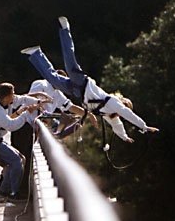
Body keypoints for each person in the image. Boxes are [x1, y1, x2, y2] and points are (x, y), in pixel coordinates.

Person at [21, 17, 159, 142]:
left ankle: (36, 53)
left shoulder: (108, 113)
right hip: (82, 83)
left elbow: (117, 125)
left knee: (51, 78)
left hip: (75, 91)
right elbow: (129, 115)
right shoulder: (114, 103)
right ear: (122, 103)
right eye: (124, 107)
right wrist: (144, 127)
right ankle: (65, 29)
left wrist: (125, 137)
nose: (121, 112)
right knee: (69, 60)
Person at [0, 83, 38, 200]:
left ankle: (4, 191)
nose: (14, 97)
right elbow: (11, 125)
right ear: (7, 96)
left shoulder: (0, 104)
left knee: (18, 159)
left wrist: (36, 104)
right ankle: (14, 192)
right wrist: (25, 115)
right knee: (16, 161)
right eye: (12, 94)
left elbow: (20, 101)